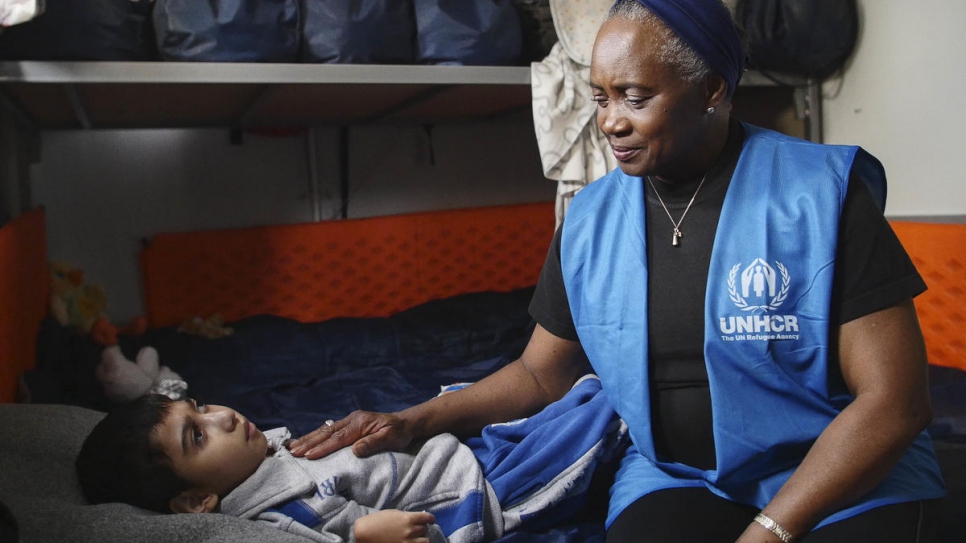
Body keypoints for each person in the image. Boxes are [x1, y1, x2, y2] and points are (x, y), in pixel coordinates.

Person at [287, 1, 947, 542]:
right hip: (680, 475)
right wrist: (418, 418)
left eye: (635, 96)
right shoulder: (591, 217)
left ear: (712, 89)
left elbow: (896, 400)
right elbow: (542, 372)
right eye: (600, 96)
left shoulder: (820, 194)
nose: (610, 122)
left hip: (834, 470)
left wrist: (772, 529)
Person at [75, 376, 624, 543]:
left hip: (466, 454)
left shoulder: (265, 454)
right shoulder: (276, 511)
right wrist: (368, 536)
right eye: (197, 436)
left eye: (201, 407)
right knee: (607, 415)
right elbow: (338, 535)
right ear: (196, 500)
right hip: (486, 490)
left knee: (580, 396)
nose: (220, 417)